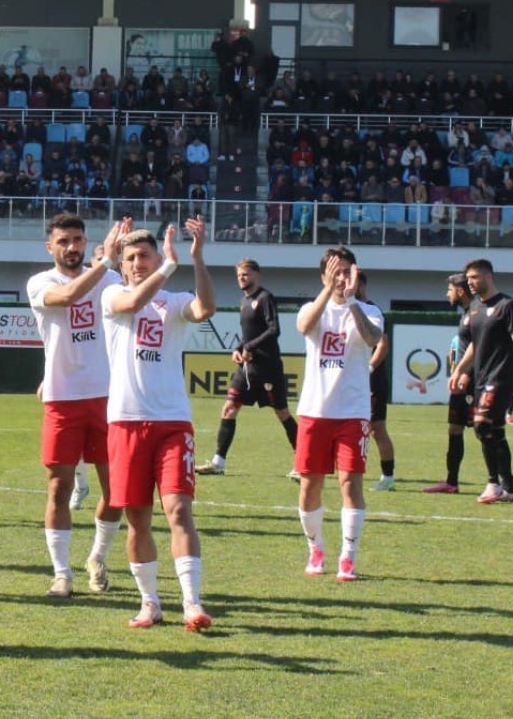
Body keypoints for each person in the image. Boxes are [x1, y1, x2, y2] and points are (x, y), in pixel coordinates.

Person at [103, 219, 216, 631]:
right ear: (121, 263)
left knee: (179, 510)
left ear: (155, 257)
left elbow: (205, 309)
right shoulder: (112, 294)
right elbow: (132, 305)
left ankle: (192, 603)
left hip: (172, 421)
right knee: (137, 518)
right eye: (130, 257)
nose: (136, 263)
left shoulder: (174, 300)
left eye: (144, 256)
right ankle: (150, 602)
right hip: (125, 422)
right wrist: (167, 266)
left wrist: (197, 259)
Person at [26, 214, 130, 598]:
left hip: (109, 399)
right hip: (62, 399)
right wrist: (105, 262)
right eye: (64, 241)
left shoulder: (109, 279)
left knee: (116, 490)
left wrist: (123, 261)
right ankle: (61, 572)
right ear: (50, 246)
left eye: (78, 239)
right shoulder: (41, 282)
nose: (72, 247)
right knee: (59, 487)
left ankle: (97, 557)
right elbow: (67, 297)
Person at [293, 247, 383, 582]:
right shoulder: (312, 308)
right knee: (309, 485)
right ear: (323, 276)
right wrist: (329, 293)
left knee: (350, 482)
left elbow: (373, 338)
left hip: (353, 412)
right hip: (315, 411)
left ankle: (348, 556)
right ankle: (315, 548)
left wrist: (352, 302)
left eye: (347, 271)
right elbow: (304, 326)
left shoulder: (369, 310)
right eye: (335, 271)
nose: (342, 278)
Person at [200, 260, 301, 478]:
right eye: (239, 275)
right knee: (229, 409)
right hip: (247, 369)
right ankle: (218, 461)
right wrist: (239, 348)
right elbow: (248, 336)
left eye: (246, 274)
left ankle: (304, 462)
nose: (241, 278)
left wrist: (249, 347)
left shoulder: (265, 299)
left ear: (257, 274)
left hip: (268, 369)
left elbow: (274, 330)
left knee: (282, 413)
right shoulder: (244, 301)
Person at [450, 258, 513, 505]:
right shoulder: (474, 308)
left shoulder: (508, 306)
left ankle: (493, 483)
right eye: (468, 278)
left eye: (474, 277)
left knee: (481, 424)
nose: (470, 282)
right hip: (481, 378)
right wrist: (459, 370)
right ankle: (509, 485)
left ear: (488, 276)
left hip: (502, 377)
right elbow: (475, 344)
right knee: (493, 432)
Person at [424, 274, 476, 495]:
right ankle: (451, 482)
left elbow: (479, 345)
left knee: (486, 430)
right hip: (462, 379)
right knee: (454, 429)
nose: (447, 294)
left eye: (450, 290)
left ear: (460, 291)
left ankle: (502, 483)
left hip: (472, 380)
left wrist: (465, 373)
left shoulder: (475, 311)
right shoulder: (466, 313)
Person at [355, 271, 397, 491]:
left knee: (377, 429)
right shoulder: (346, 310)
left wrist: (369, 368)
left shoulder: (373, 311)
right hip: (353, 381)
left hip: (373, 382)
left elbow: (382, 345)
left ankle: (387, 477)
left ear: (360, 284)